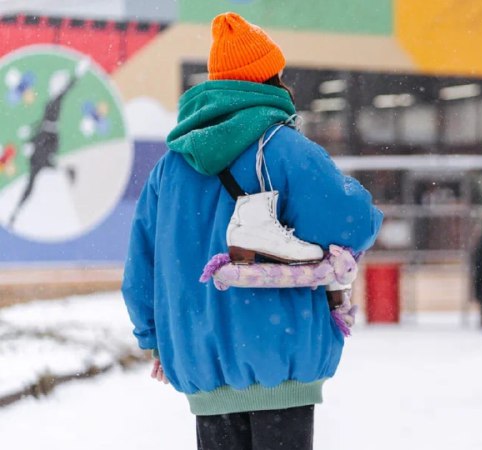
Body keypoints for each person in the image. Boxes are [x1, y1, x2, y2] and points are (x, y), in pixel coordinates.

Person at [121, 13, 383, 450]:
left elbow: (141, 267)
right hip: (280, 355)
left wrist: (155, 339)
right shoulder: (284, 148)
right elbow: (354, 219)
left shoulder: (170, 168)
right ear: (271, 79)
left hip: (203, 364)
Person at [7, 60, 88, 229]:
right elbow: (42, 121)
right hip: (43, 139)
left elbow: (66, 90)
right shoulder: (51, 100)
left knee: (37, 169)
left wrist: (77, 74)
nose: (54, 85)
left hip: (47, 140)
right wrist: (29, 130)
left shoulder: (58, 99)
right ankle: (16, 212)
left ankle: (16, 211)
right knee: (36, 173)